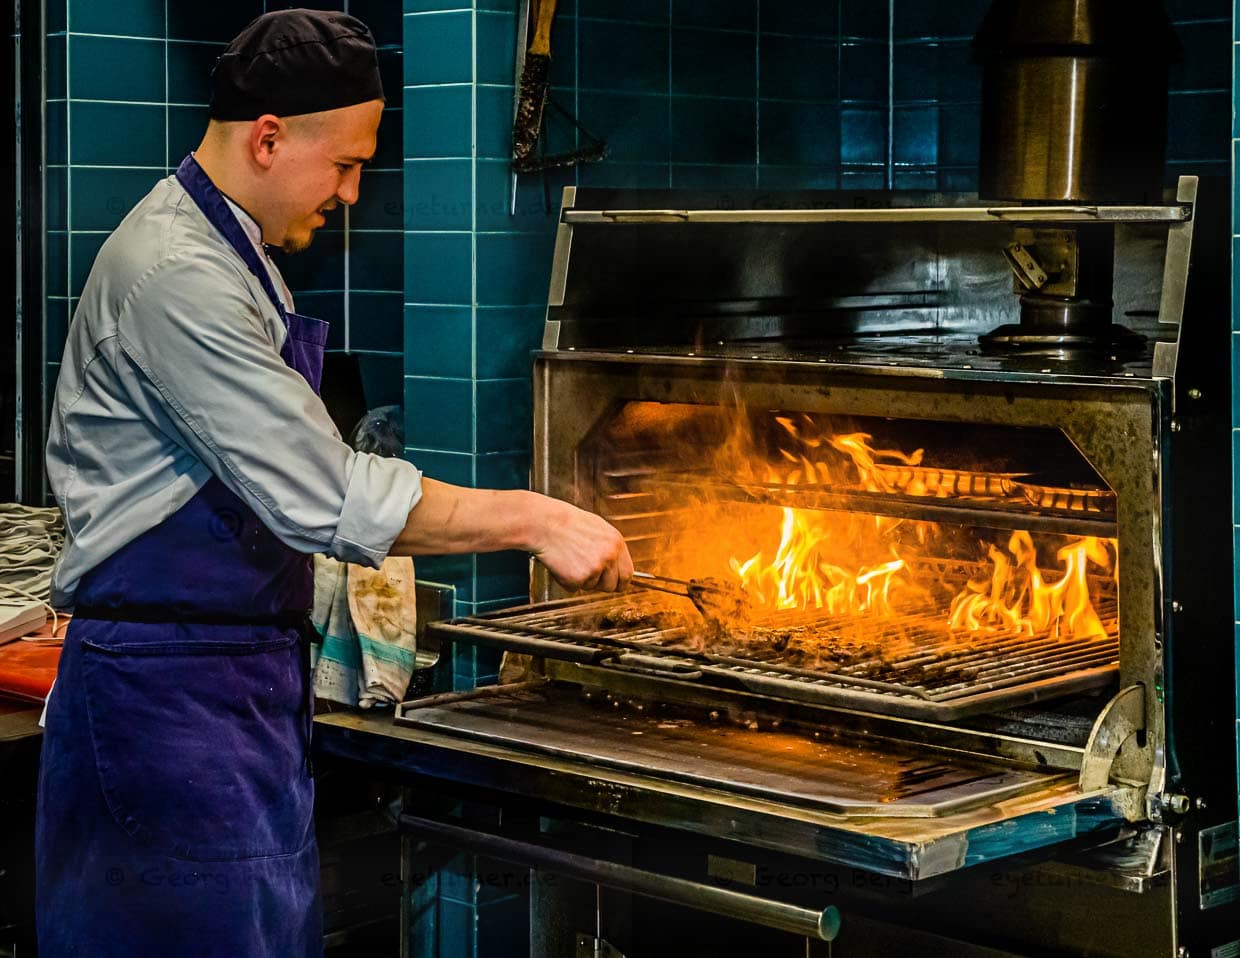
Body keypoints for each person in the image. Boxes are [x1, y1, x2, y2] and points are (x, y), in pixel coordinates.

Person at [35, 9, 631, 956]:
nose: (352, 193)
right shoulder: (177, 275)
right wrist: (535, 517)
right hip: (166, 704)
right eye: (346, 165)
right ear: (268, 139)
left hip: (228, 684)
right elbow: (327, 496)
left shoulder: (235, 256)